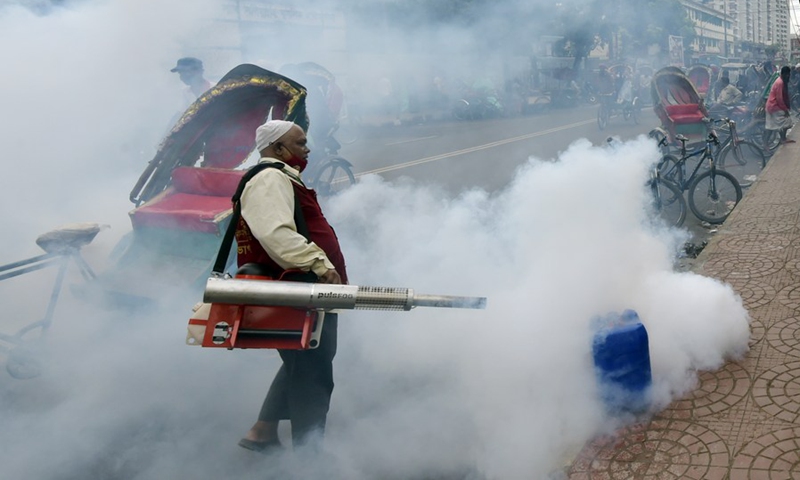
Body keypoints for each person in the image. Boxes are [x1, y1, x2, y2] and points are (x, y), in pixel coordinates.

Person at [236, 119, 347, 453]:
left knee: (303, 361)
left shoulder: (280, 177)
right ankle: (310, 458)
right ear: (278, 149)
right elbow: (276, 233)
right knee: (312, 374)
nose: (307, 149)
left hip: (307, 289)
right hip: (300, 288)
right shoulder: (269, 177)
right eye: (300, 143)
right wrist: (319, 264)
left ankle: (263, 431)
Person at [765, 66, 795, 145]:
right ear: (786, 74)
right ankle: (782, 139)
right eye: (788, 74)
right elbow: (779, 99)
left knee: (771, 126)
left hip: (772, 106)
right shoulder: (780, 82)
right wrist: (785, 110)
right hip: (774, 106)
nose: (789, 76)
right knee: (787, 121)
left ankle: (781, 139)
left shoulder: (780, 81)